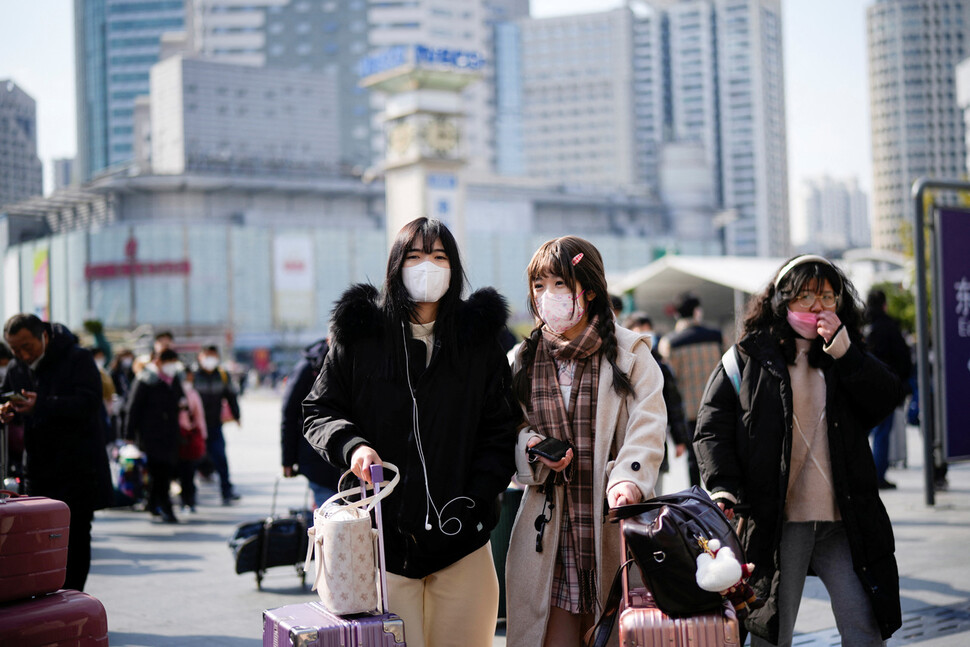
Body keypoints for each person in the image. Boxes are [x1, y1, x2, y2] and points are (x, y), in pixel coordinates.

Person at [303, 217, 518, 647]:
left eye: (439, 256)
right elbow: (319, 410)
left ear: (454, 268)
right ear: (396, 265)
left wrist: (475, 498)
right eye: (415, 255)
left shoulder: (479, 341)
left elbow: (500, 428)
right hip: (382, 545)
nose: (427, 266)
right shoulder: (361, 334)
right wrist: (354, 447)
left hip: (465, 545)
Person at [693, 254, 904, 646]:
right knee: (772, 631)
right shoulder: (747, 359)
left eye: (827, 296)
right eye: (805, 296)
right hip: (779, 523)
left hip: (843, 521)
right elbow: (712, 430)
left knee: (865, 626)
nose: (818, 307)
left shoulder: (845, 354)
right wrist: (723, 486)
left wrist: (847, 353)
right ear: (781, 300)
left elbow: (887, 396)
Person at [505, 236, 667, 647]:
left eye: (559, 284)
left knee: (617, 630)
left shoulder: (630, 352)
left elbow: (648, 423)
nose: (547, 296)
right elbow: (506, 428)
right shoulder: (521, 360)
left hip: (613, 523)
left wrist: (629, 478)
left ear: (589, 289)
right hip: (548, 535)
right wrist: (533, 447)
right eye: (539, 287)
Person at [0, 314, 113, 590]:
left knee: (74, 536)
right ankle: (48, 598)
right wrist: (5, 411)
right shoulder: (17, 368)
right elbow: (5, 397)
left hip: (79, 466)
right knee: (38, 535)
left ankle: (73, 599)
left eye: (27, 346)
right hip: (37, 466)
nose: (22, 354)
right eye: (15, 349)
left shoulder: (78, 359)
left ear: (45, 336)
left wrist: (45, 405)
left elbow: (89, 403)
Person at [658, 291, 723, 487]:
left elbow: (670, 381)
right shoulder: (716, 336)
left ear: (677, 314)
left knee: (693, 461)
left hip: (688, 411)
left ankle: (696, 500)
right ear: (697, 311)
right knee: (718, 456)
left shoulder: (670, 343)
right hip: (716, 407)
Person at [623, 312, 689, 495]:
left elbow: (673, 403)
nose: (646, 335)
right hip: (625, 440)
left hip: (656, 436)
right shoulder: (620, 363)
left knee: (654, 495)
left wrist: (679, 439)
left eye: (647, 330)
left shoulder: (661, 365)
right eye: (640, 331)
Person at [126, 348, 185, 523]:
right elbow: (133, 407)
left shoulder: (173, 379)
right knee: (161, 471)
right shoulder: (145, 379)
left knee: (161, 471)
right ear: (158, 362)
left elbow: (179, 398)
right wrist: (128, 434)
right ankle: (166, 507)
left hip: (170, 433)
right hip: (150, 434)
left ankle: (153, 503)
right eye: (169, 363)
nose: (172, 367)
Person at [281, 337, 339, 507]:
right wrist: (288, 459)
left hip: (351, 462)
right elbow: (289, 413)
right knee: (331, 517)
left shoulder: (357, 361)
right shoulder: (307, 368)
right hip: (316, 457)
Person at [865, 289, 913, 490]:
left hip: (866, 388)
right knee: (883, 432)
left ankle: (865, 475)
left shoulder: (864, 327)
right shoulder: (890, 327)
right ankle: (878, 475)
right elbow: (904, 359)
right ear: (884, 305)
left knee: (864, 432)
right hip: (887, 388)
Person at [193, 345, 241, 505]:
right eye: (207, 355)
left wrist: (237, 415)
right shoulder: (192, 375)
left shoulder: (222, 375)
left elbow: (231, 396)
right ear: (200, 356)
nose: (209, 359)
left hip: (214, 425)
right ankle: (189, 495)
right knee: (192, 459)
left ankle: (226, 491)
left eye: (213, 355)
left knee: (220, 457)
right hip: (195, 427)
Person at [177, 369, 207, 512]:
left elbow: (199, 416)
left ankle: (189, 499)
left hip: (189, 437)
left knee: (188, 470)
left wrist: (202, 435)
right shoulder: (173, 391)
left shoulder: (193, 394)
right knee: (181, 471)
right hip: (175, 437)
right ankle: (184, 498)